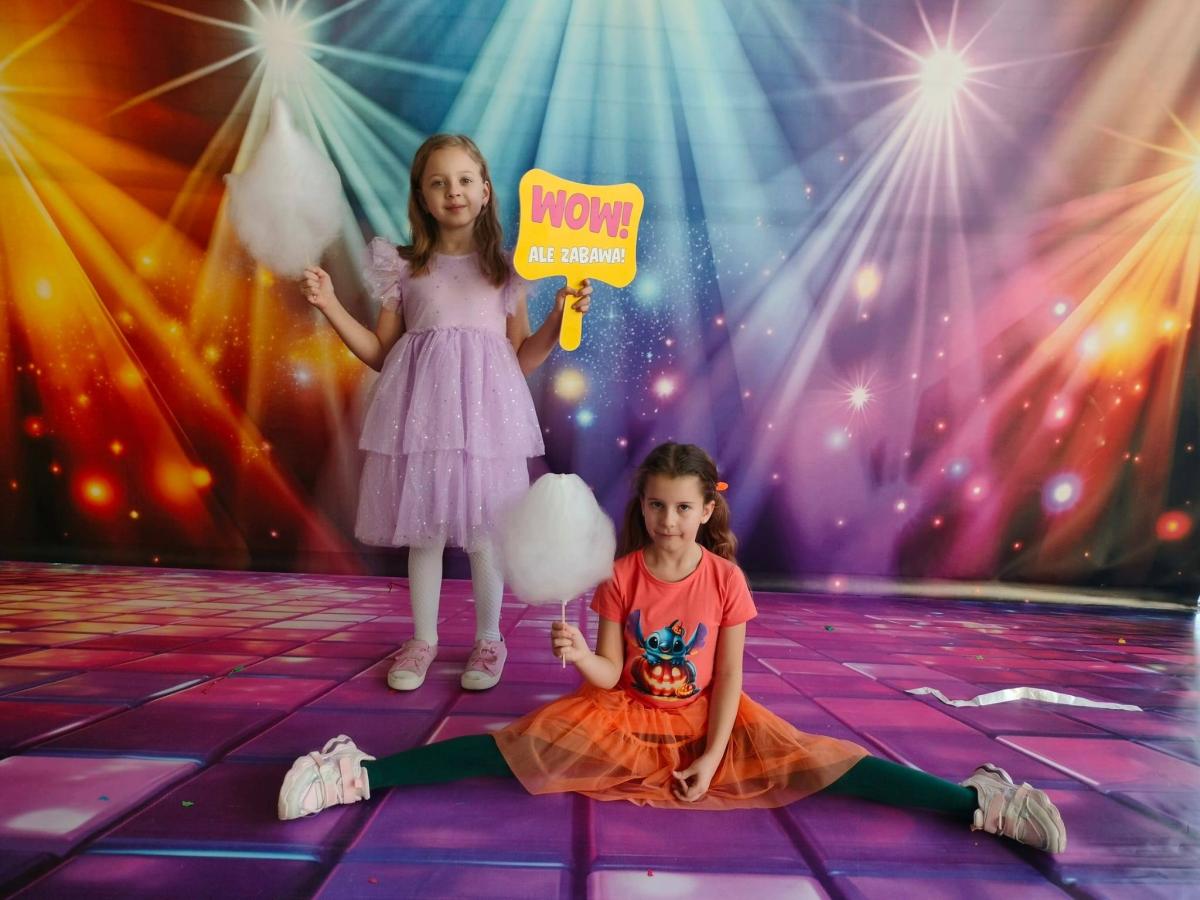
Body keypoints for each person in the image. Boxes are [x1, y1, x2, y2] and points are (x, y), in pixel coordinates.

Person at [277, 442, 1066, 853]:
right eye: (656, 507)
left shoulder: (726, 580)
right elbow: (608, 674)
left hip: (710, 720)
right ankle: (359, 771)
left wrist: (715, 754)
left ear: (705, 509)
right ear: (643, 508)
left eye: (683, 508)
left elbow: (728, 680)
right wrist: (575, 654)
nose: (668, 522)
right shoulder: (619, 575)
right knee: (514, 748)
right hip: (624, 712)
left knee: (826, 763)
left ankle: (979, 801)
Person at [301, 134, 590, 692]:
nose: (453, 191)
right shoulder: (405, 269)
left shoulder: (505, 269)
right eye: (438, 182)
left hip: (487, 425)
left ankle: (490, 639)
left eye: (464, 180)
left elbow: (522, 355)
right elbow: (381, 353)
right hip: (424, 422)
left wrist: (559, 317)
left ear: (485, 191)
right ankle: (423, 639)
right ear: (422, 197)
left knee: (485, 532)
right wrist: (330, 303)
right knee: (425, 532)